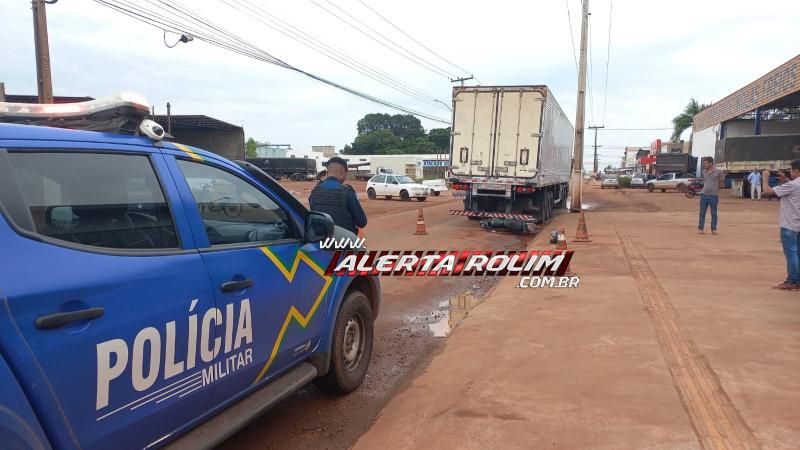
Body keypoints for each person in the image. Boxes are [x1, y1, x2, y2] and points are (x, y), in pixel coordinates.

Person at [761, 163, 800, 290]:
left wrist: (765, 177)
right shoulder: (794, 184)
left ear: (796, 171)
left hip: (789, 224)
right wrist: (786, 180)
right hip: (797, 223)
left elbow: (767, 191)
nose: (790, 172)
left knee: (791, 254)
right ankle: (797, 280)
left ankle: (793, 281)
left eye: (791, 170)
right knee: (797, 253)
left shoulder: (793, 185)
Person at [308, 157, 367, 234]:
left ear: (327, 171)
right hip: (344, 239)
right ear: (343, 172)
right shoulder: (347, 192)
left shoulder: (315, 191)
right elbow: (362, 222)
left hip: (319, 239)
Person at [698, 157, 725, 235]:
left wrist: (716, 189)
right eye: (704, 163)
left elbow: (721, 182)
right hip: (704, 195)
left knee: (714, 213)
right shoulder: (704, 172)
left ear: (710, 163)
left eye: (705, 163)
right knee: (702, 213)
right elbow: (705, 181)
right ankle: (701, 228)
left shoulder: (719, 172)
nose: (704, 165)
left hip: (713, 196)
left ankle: (713, 229)